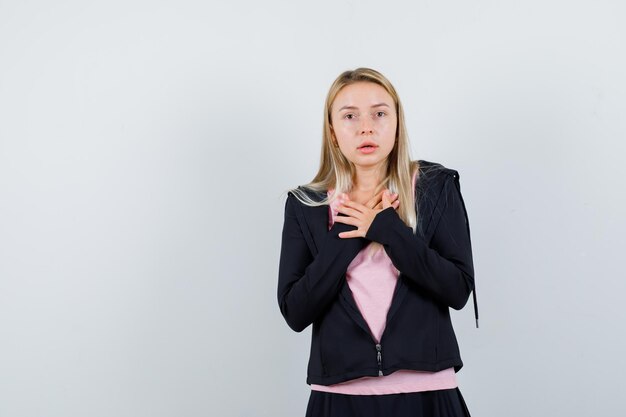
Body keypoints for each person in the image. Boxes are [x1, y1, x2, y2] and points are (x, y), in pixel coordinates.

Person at [277, 67, 478, 417]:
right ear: (333, 132)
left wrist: (389, 231)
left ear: (397, 123)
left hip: (428, 394)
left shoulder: (435, 187)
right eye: (350, 116)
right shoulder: (305, 204)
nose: (366, 127)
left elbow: (458, 290)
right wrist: (350, 234)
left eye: (380, 113)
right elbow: (296, 311)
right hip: (337, 399)